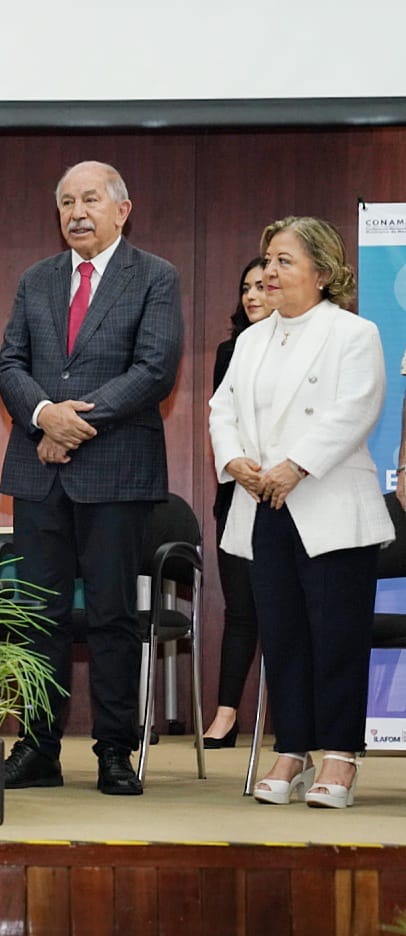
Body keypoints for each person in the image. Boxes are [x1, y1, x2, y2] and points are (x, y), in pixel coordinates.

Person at [0, 160, 183, 796]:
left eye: (91, 200)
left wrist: (73, 423)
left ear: (122, 209)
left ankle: (112, 752)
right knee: (38, 617)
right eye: (67, 201)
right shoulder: (35, 279)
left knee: (111, 617)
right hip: (38, 471)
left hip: (116, 471)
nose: (77, 212)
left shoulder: (155, 277)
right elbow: (9, 363)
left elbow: (155, 369)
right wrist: (45, 416)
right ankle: (39, 747)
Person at [209, 216, 392, 808]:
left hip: (330, 503)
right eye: (266, 260)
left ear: (322, 271)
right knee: (283, 634)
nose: (268, 272)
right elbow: (223, 409)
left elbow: (355, 409)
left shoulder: (353, 332)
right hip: (263, 501)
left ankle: (339, 757)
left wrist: (296, 465)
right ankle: (292, 750)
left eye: (284, 260)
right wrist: (235, 460)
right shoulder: (250, 340)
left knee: (336, 634)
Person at [202, 259, 273, 748]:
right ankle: (226, 716)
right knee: (241, 611)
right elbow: (222, 417)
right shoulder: (231, 351)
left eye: (261, 286)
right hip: (239, 494)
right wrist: (241, 466)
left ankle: (295, 721)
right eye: (244, 287)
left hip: (295, 489)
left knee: (291, 613)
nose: (251, 296)